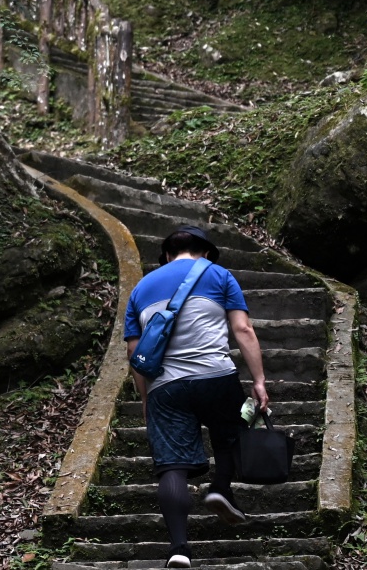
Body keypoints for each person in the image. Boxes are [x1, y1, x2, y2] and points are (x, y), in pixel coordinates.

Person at [124, 224, 269, 569]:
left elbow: (135, 352)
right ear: (204, 252)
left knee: (171, 467)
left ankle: (179, 549)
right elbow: (243, 329)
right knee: (233, 429)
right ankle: (220, 486)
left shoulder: (140, 288)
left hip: (165, 387)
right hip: (215, 376)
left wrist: (146, 398)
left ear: (167, 256)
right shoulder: (218, 275)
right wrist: (259, 380)